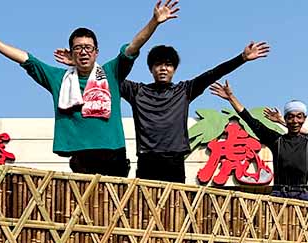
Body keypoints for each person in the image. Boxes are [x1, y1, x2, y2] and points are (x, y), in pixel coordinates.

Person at [0, 1, 179, 176]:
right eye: (78, 48)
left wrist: (154, 22)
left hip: (113, 155)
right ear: (71, 53)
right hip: (81, 157)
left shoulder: (111, 72)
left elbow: (133, 47)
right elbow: (27, 60)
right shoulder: (60, 79)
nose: (84, 52)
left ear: (96, 52)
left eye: (88, 48)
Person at [54, 41, 270, 182]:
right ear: (151, 69)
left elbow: (211, 74)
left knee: (174, 215)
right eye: (158, 65)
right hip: (147, 161)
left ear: (174, 68)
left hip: (174, 162)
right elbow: (108, 78)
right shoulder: (137, 91)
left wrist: (241, 57)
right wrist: (80, 64)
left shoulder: (184, 90)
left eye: (168, 65)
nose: (163, 68)